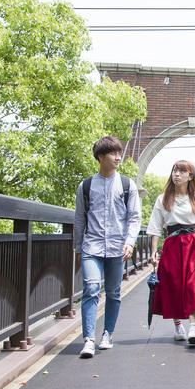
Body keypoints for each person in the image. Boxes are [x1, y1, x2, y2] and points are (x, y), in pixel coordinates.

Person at [73, 136, 142, 359]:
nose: (118, 157)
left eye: (119, 153)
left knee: (113, 292)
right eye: (113, 153)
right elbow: (79, 220)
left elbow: (134, 217)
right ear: (100, 157)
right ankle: (89, 339)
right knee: (92, 288)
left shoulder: (127, 184)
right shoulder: (85, 186)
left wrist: (130, 242)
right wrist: (77, 248)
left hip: (117, 247)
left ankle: (107, 334)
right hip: (91, 246)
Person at [146, 159, 195, 345]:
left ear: (190, 176)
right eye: (174, 171)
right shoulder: (162, 199)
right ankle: (178, 325)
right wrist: (154, 252)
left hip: (193, 245)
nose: (176, 174)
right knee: (173, 286)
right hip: (172, 246)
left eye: (181, 171)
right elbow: (155, 227)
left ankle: (193, 327)